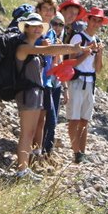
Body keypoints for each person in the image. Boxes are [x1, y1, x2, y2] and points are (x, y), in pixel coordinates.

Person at [14, 13, 92, 179]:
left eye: (39, 26)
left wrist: (77, 49)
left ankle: (25, 167)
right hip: (27, 93)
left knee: (32, 131)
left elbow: (51, 52)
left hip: (36, 92)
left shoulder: (33, 47)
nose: (36, 29)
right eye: (32, 26)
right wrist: (75, 49)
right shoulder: (23, 47)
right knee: (27, 132)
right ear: (26, 28)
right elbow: (51, 50)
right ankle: (21, 170)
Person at [64, 7, 108, 164]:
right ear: (87, 20)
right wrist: (87, 51)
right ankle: (76, 152)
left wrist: (99, 53)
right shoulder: (78, 38)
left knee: (84, 120)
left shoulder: (98, 41)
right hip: (77, 80)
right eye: (93, 19)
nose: (96, 23)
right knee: (74, 119)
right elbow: (71, 61)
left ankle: (81, 152)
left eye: (98, 21)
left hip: (90, 82)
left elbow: (98, 69)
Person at [31, 0, 58, 161]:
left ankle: (37, 152)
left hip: (47, 80)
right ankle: (28, 150)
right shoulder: (33, 28)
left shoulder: (52, 33)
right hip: (33, 79)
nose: (47, 12)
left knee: (42, 118)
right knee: (32, 118)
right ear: (39, 10)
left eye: (51, 10)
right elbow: (26, 46)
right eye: (45, 9)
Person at [43, 11, 66, 157]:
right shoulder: (47, 39)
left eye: (61, 24)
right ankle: (40, 149)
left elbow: (61, 66)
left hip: (56, 84)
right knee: (48, 119)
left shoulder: (59, 42)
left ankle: (47, 150)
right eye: (55, 23)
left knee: (53, 120)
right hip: (45, 83)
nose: (57, 27)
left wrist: (66, 88)